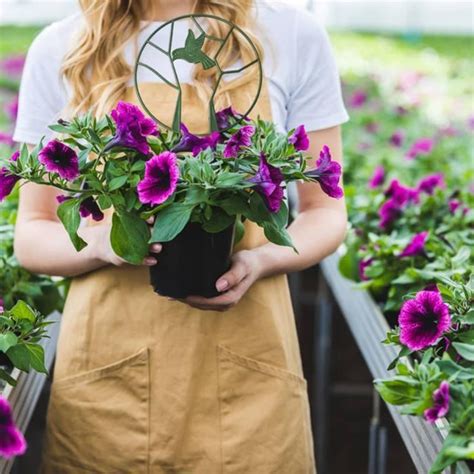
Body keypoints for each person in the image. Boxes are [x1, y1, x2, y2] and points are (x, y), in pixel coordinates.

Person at [13, 0, 349, 472]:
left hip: (248, 373)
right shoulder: (64, 46)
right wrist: (103, 244)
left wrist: (262, 261)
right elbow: (32, 232)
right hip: (109, 381)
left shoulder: (289, 33)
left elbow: (325, 213)